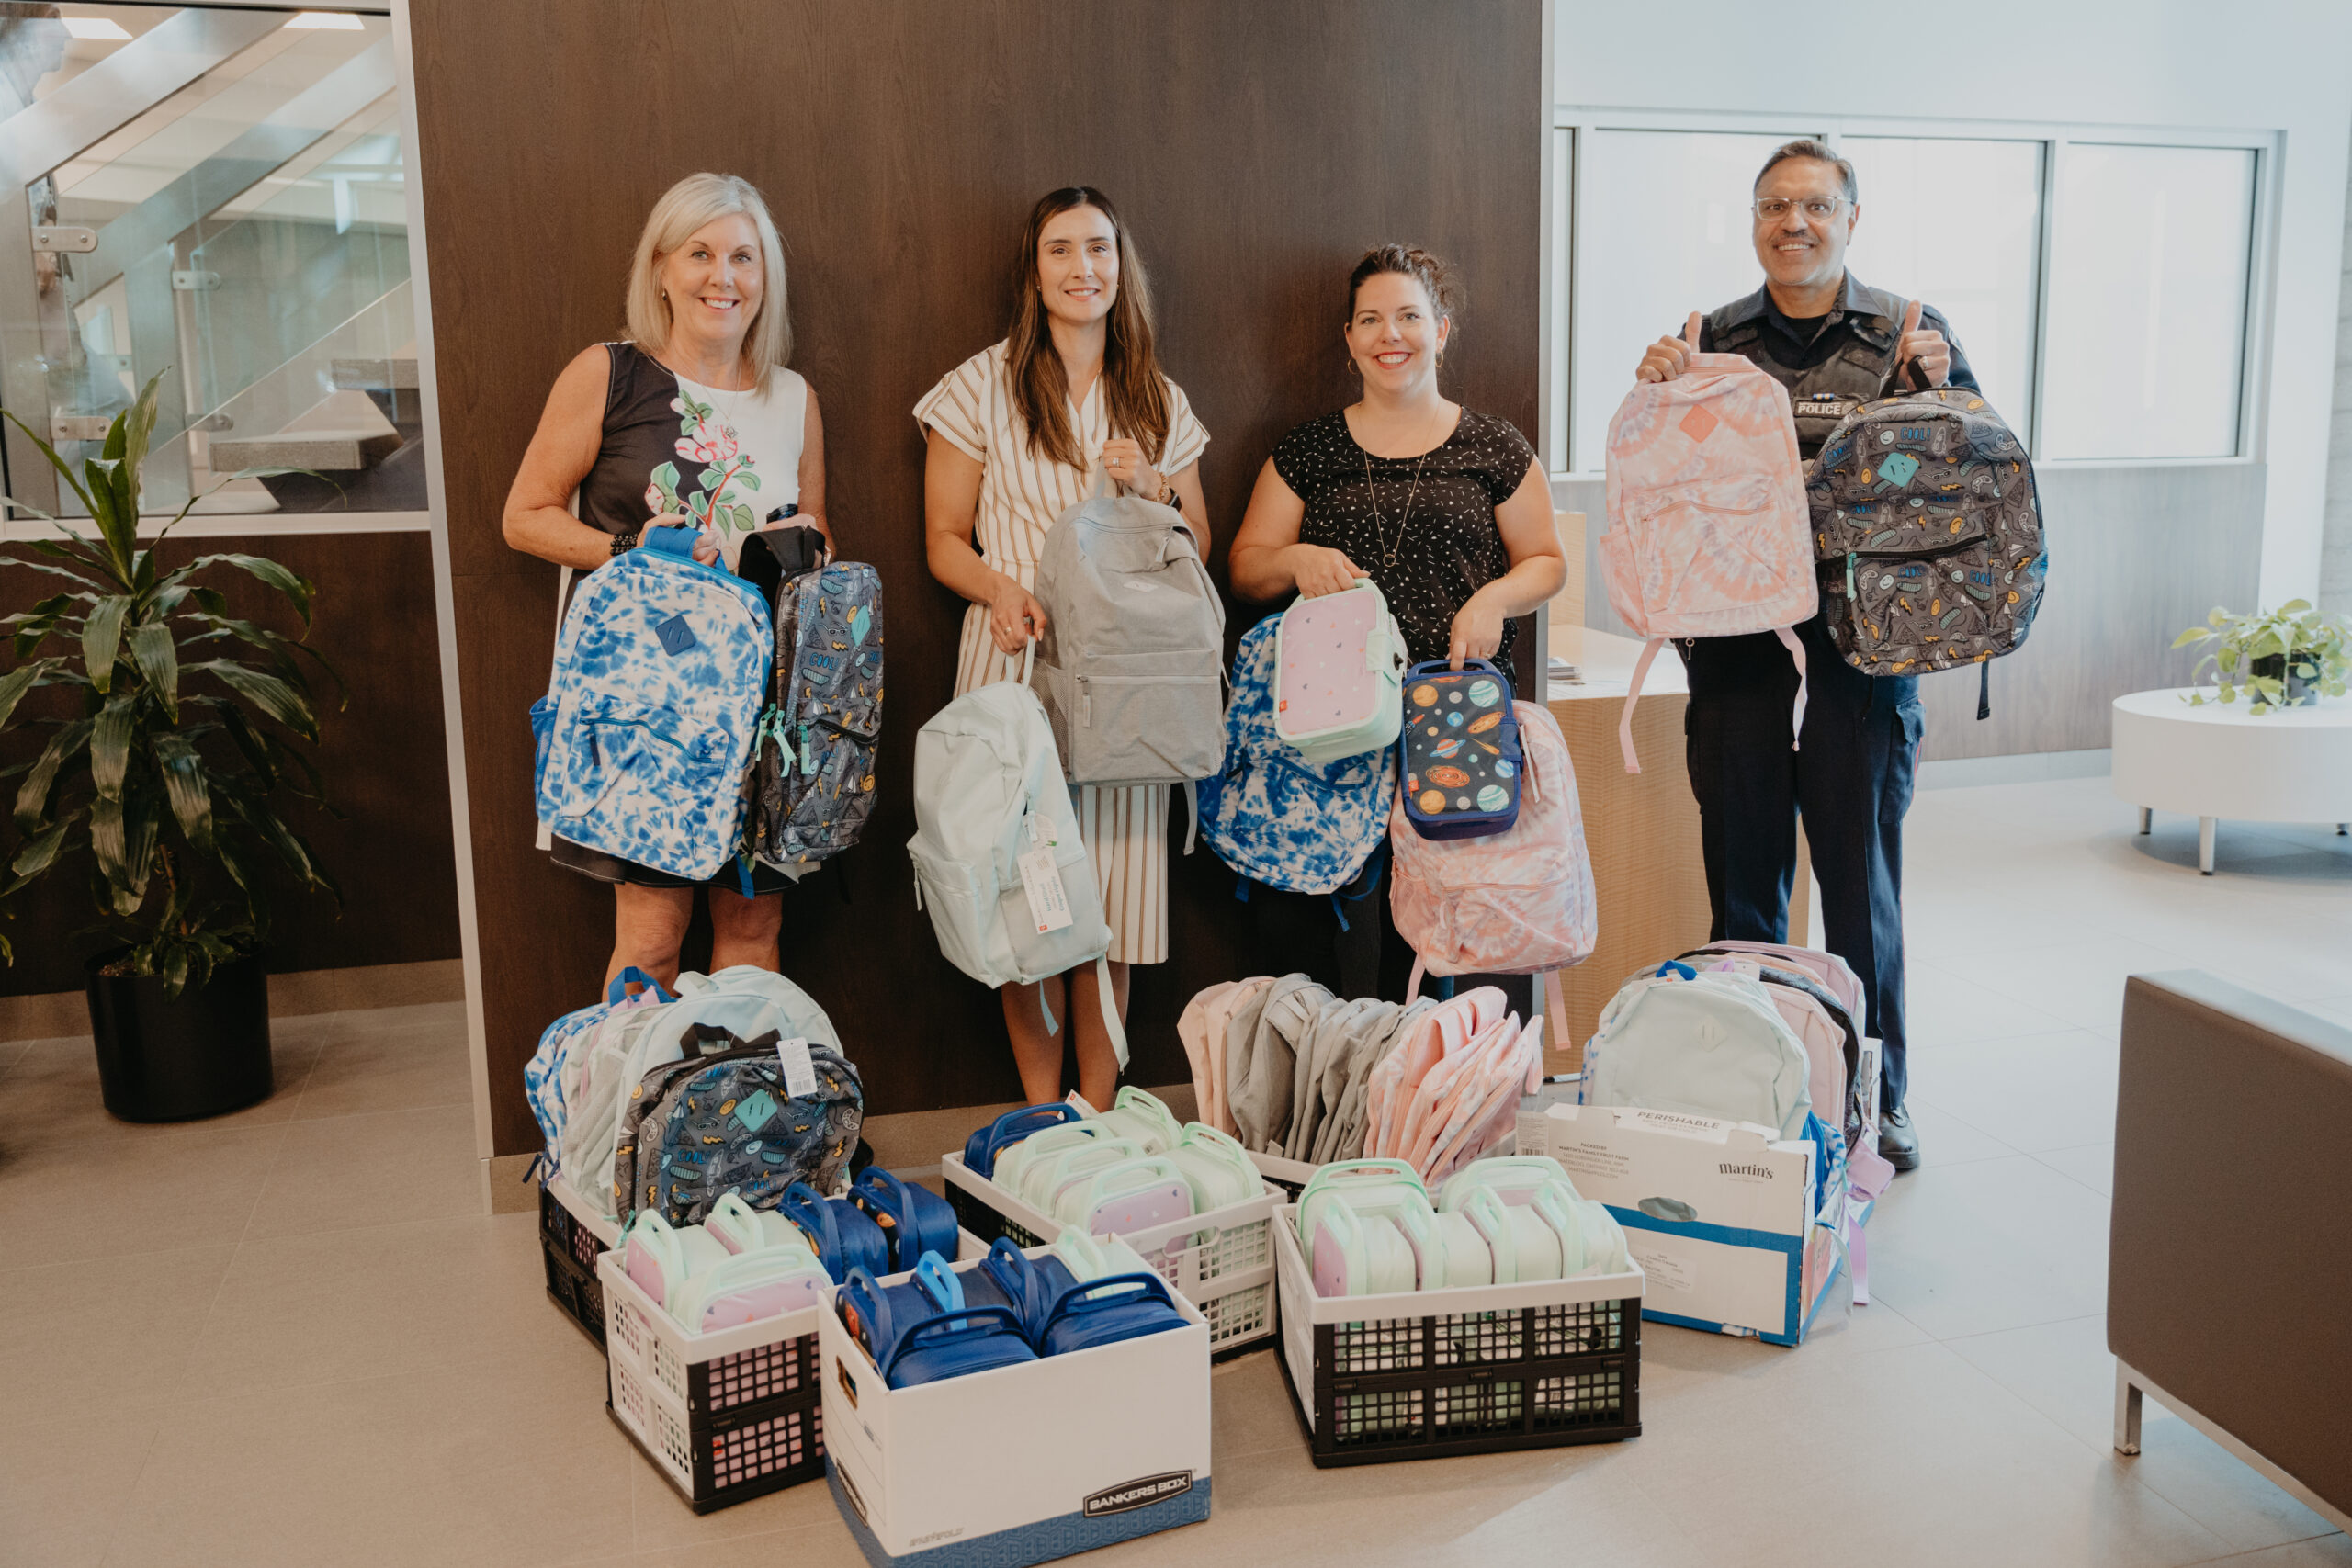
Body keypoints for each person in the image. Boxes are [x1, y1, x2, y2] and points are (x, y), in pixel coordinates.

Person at [1632, 139, 1982, 1173]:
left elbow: (1975, 466)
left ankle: (1878, 1098)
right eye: (1775, 205)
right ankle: (1755, 1088)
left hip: (1861, 656)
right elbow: (1661, 476)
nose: (1795, 222)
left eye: (1816, 205)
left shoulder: (1911, 330)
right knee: (1743, 885)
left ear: (1851, 218)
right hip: (1735, 652)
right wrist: (1654, 390)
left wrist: (1943, 387)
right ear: (1753, 221)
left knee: (1857, 889)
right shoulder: (1703, 337)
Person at [918, 186, 1212, 1109]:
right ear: (1033, 269)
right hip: (1015, 664)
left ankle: (1098, 1114)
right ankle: (1042, 1117)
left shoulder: (1156, 397)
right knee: (1024, 887)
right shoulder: (981, 384)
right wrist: (1000, 590)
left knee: (1116, 897)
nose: (1083, 268)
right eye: (1060, 250)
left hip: (1128, 677)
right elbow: (942, 539)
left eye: (1099, 249)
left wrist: (1155, 488)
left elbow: (1196, 547)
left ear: (1122, 267)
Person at [503, 171, 827, 988]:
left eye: (744, 257)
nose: (724, 277)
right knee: (653, 934)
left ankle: (729, 1117)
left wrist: (800, 545)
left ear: (766, 277)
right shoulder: (610, 374)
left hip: (764, 714)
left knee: (755, 922)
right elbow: (524, 515)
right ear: (661, 269)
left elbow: (821, 535)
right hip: (648, 708)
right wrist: (630, 554)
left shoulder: (791, 398)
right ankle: (633, 1117)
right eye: (701, 253)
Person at [1228, 243, 1564, 1006]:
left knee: (1435, 936)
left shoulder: (1494, 445)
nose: (1392, 334)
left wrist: (1492, 601)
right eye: (1371, 319)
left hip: (1452, 711)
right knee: (1297, 922)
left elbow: (1546, 560)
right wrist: (1297, 559)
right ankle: (1316, 1106)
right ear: (1349, 338)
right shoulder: (1307, 450)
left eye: (1409, 316)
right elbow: (1246, 565)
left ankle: (1420, 1108)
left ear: (1441, 329)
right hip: (1327, 717)